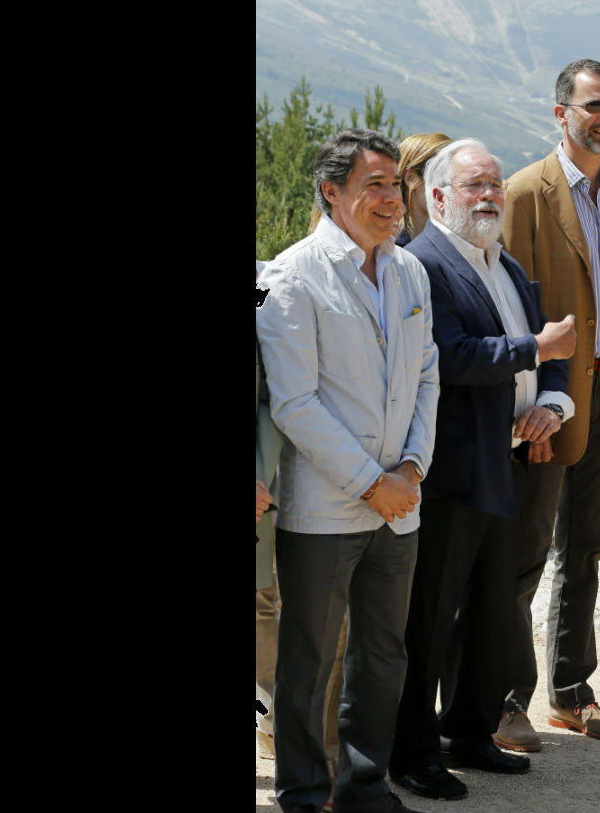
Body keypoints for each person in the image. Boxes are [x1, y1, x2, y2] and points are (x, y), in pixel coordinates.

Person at [257, 127, 441, 813]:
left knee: (383, 653)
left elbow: (428, 374)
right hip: (327, 505)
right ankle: (305, 794)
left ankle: (363, 786)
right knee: (309, 660)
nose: (392, 198)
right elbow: (295, 402)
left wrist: (413, 466)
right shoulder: (293, 275)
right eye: (374, 185)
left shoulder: (409, 270)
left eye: (396, 184)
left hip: (401, 500)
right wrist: (372, 481)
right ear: (332, 193)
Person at [390, 138, 578, 800]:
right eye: (475, 185)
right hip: (447, 470)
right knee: (430, 618)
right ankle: (412, 754)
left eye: (494, 183)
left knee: (492, 611)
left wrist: (553, 403)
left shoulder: (506, 262)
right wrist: (536, 349)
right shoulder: (423, 264)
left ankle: (468, 733)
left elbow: (553, 353)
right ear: (438, 195)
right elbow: (451, 356)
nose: (490, 195)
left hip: (506, 464)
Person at [497, 59, 600, 747]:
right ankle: (504, 700)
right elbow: (509, 309)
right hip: (549, 400)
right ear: (561, 113)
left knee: (585, 549)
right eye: (595, 105)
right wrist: (525, 406)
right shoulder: (524, 193)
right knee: (525, 552)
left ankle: (571, 692)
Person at [258, 260, 289, 759]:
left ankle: (269, 721)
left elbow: (271, 394)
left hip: (264, 483)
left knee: (264, 602)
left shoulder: (268, 284)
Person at [396, 132, 452, 244]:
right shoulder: (384, 248)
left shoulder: (462, 245)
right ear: (411, 179)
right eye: (443, 176)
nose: (453, 188)